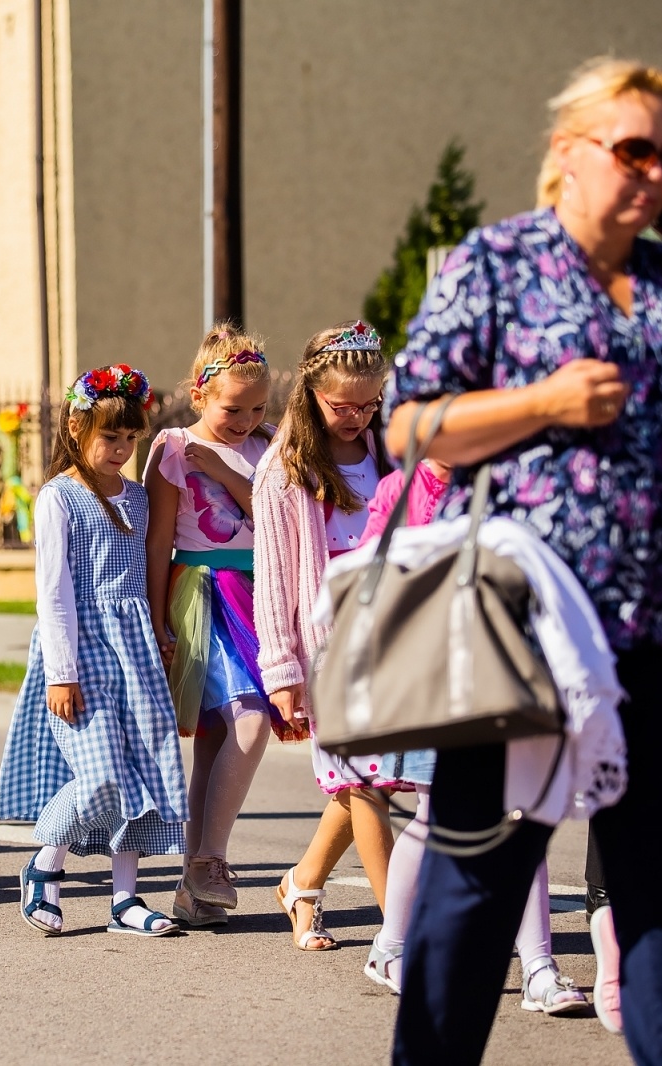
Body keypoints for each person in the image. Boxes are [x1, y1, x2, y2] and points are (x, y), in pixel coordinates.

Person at [383, 56, 662, 1066]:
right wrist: (539, 404)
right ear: (566, 153)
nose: (655, 173)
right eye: (633, 149)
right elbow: (408, 424)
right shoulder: (496, 266)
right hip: (525, 629)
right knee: (475, 887)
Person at [357, 458, 588, 1014]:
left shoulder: (520, 481)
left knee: (522, 816)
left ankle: (538, 967)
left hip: (511, 672)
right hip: (435, 679)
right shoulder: (402, 489)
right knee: (434, 818)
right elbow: (368, 576)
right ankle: (390, 948)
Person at [0, 365, 187, 937]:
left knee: (143, 771)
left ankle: (125, 899)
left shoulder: (136, 497)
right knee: (102, 776)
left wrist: (160, 630)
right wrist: (62, 672)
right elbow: (52, 594)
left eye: (131, 438)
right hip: (82, 650)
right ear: (77, 429)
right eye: (110, 437)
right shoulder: (59, 498)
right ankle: (42, 866)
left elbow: (152, 569)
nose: (122, 449)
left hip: (136, 654)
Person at [251, 321, 400, 952]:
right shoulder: (285, 472)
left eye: (370, 403)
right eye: (344, 405)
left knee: (370, 780)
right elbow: (276, 580)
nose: (358, 417)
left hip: (394, 646)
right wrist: (281, 671)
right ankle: (403, 924)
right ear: (311, 394)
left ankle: (303, 884)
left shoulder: (388, 455)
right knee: (365, 782)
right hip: (328, 653)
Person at [144, 325, 284, 928]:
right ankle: (210, 862)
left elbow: (278, 518)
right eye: (234, 408)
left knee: (214, 746)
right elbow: (156, 542)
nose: (247, 420)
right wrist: (155, 618)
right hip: (203, 594)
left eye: (257, 407)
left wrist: (226, 472)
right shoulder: (173, 446)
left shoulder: (273, 444)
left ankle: (191, 887)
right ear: (199, 394)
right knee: (249, 723)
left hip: (261, 594)